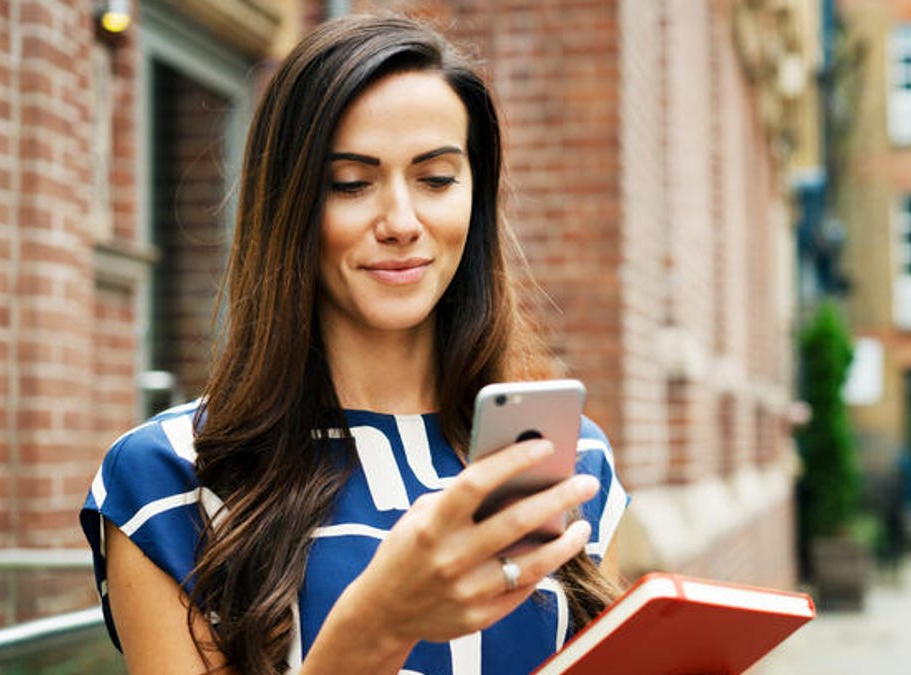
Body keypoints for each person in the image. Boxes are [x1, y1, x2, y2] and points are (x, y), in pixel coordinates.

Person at [79, 14, 627, 675]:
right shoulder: (165, 477)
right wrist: (378, 624)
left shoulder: (565, 461)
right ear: (291, 204)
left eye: (436, 178)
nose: (401, 222)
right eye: (351, 183)